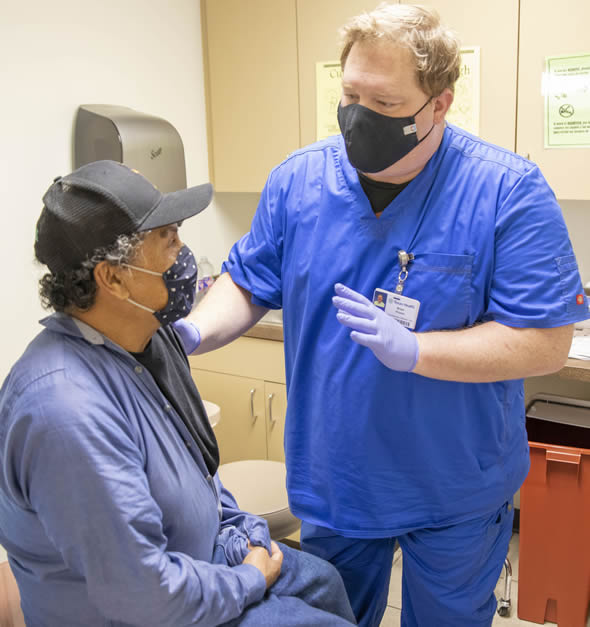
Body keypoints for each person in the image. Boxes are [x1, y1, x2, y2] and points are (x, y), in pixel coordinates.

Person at [173, 4, 590, 627]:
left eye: (387, 104)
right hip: (338, 483)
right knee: (332, 619)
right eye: (350, 95)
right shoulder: (298, 183)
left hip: (456, 491)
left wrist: (420, 351)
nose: (360, 117)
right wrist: (192, 332)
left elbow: (545, 343)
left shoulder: (507, 191)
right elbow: (248, 280)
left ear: (440, 104)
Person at [0, 161, 356, 627]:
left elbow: (197, 468)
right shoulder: (64, 412)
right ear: (114, 278)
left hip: (202, 554)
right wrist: (249, 579)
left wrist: (239, 529)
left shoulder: (150, 338)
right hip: (149, 609)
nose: (183, 252)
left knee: (324, 582)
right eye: (166, 238)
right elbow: (145, 596)